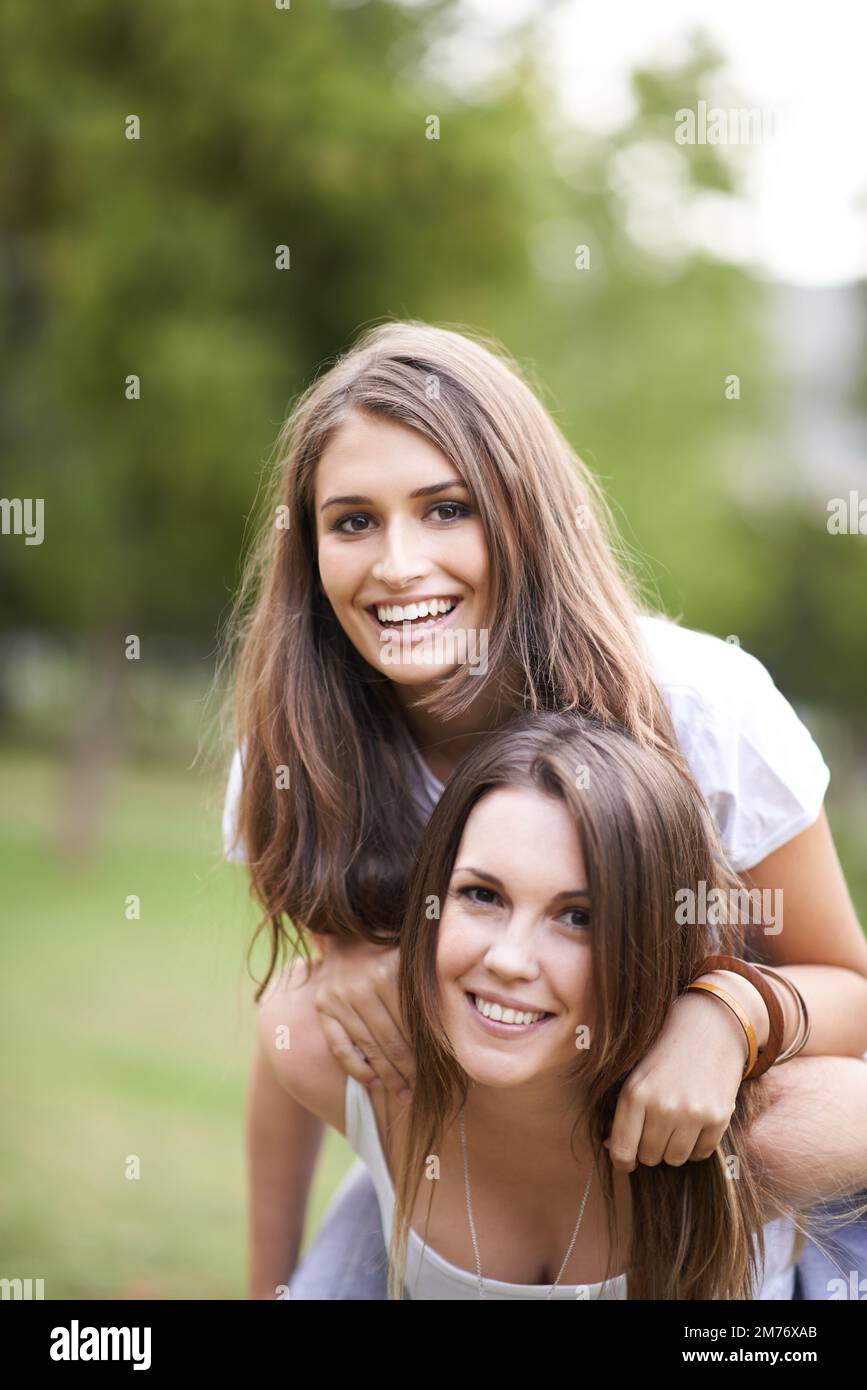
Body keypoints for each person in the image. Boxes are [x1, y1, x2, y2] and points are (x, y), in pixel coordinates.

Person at [219, 320, 867, 1299]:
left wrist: (726, 1014)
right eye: (352, 521)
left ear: (523, 514)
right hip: (464, 1161)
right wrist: (345, 948)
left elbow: (850, 990)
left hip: (716, 1160)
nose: (396, 564)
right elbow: (299, 1044)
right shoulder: (302, 756)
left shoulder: (704, 709)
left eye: (446, 509)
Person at [256, 712, 867, 1300]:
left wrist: (735, 1009)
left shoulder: (759, 1134)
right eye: (482, 895)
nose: (510, 959)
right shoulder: (341, 1048)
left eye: (578, 917)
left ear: (655, 945)